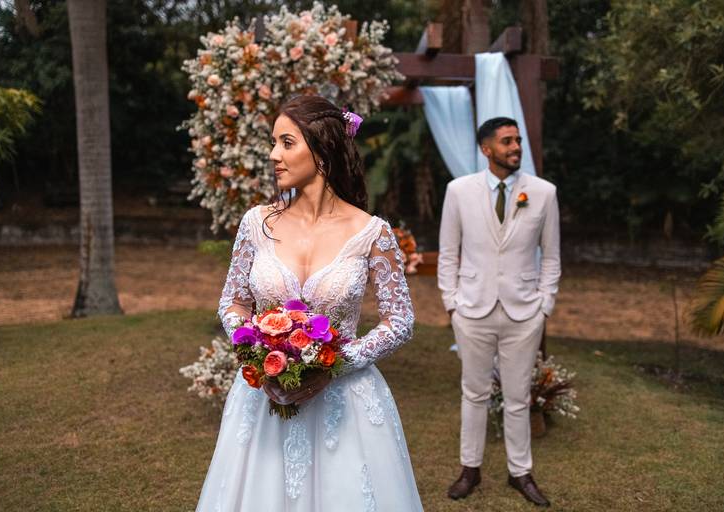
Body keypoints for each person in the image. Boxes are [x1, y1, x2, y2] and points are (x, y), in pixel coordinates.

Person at [195, 95, 423, 512]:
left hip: (345, 405)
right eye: (273, 143)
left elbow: (400, 320)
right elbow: (234, 302)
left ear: (322, 151)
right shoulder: (256, 223)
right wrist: (256, 351)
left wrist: (335, 365)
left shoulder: (372, 233)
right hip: (265, 399)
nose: (273, 155)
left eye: (286, 143)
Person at [438, 117, 561, 507]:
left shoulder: (544, 193)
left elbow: (552, 257)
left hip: (524, 313)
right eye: (507, 141)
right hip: (471, 310)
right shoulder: (458, 191)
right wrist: (452, 303)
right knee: (473, 393)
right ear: (486, 149)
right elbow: (448, 253)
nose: (516, 147)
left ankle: (520, 472)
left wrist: (544, 304)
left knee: (518, 397)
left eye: (518, 140)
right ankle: (469, 470)